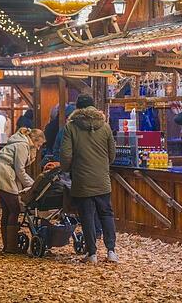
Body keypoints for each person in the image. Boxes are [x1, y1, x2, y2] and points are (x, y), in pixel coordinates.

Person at [60, 94, 117, 263]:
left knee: (87, 216)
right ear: (93, 107)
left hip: (81, 179)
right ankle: (111, 251)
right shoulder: (105, 126)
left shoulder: (71, 127)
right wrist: (103, 166)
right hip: (102, 179)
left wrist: (67, 169)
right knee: (106, 214)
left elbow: (66, 155)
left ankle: (92, 253)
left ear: (78, 108)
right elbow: (112, 154)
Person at [0, 127, 45, 253]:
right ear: (34, 140)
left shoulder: (18, 142)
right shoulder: (23, 146)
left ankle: (7, 245)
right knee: (14, 209)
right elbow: (20, 170)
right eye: (39, 145)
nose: (39, 148)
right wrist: (34, 186)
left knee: (7, 210)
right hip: (4, 174)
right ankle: (11, 246)